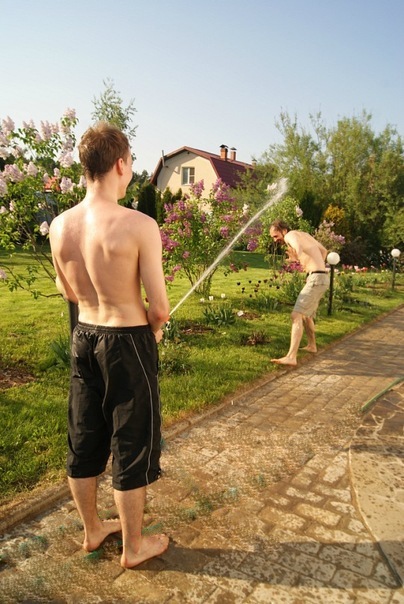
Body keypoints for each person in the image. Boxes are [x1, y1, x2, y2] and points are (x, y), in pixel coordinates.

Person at [49, 122, 170, 568]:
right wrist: (155, 330)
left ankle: (93, 531)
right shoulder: (139, 225)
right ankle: (134, 548)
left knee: (83, 438)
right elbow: (160, 307)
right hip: (127, 341)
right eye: (131, 162)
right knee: (131, 442)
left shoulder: (59, 226)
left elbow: (68, 292)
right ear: (120, 164)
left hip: (84, 336)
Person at [269, 219, 329, 366]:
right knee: (306, 315)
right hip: (321, 277)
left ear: (283, 230)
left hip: (316, 278)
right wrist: (315, 268)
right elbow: (323, 251)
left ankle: (291, 357)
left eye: (276, 236)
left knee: (296, 315)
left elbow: (297, 246)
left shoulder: (290, 235)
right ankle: (312, 345)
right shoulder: (305, 235)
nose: (275, 240)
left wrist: (296, 256)